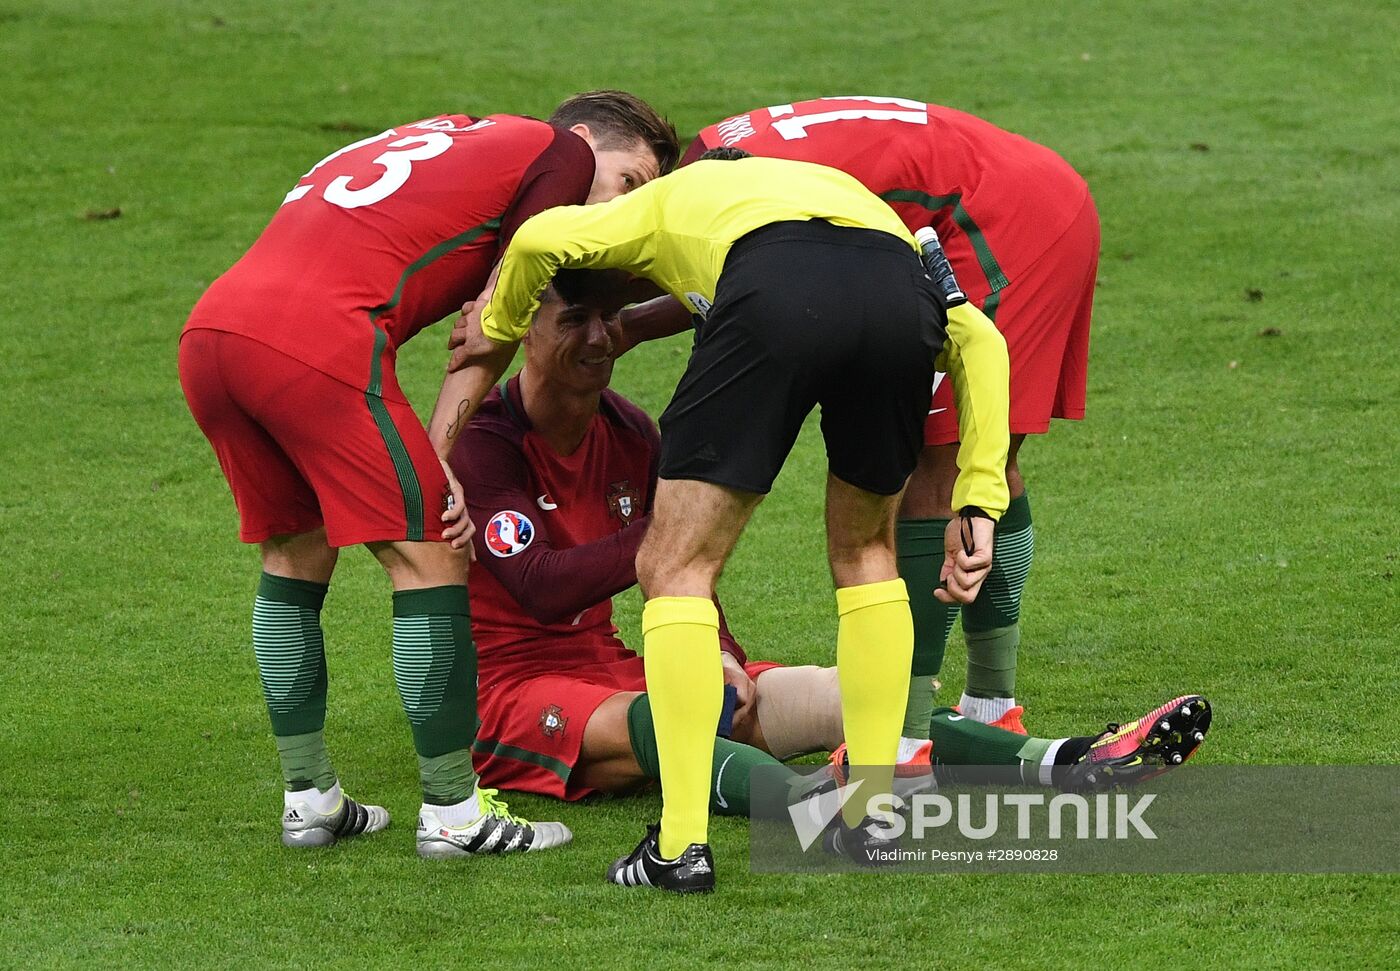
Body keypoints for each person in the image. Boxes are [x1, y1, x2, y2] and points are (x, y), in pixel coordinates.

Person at [447, 150, 1014, 893]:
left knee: (675, 566)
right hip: (894, 295)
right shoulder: (856, 200)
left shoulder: (673, 200)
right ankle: (874, 814)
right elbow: (984, 343)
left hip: (773, 284)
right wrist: (978, 497)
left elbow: (535, 243)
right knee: (868, 551)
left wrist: (498, 320)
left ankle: (679, 847)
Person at [452, 281, 1212, 828]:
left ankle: (1069, 759)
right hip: (511, 692)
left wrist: (717, 650)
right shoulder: (487, 442)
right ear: (523, 327)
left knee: (860, 696)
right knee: (670, 712)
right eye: (571, 320)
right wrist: (668, 541)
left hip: (622, 657)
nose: (596, 338)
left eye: (608, 319)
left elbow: (682, 576)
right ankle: (814, 805)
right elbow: (541, 587)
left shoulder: (629, 429)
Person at [177, 91, 679, 857]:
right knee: (435, 549)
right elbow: (495, 321)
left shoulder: (447, 138)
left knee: (296, 552)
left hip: (215, 330)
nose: (628, 208)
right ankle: (454, 813)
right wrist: (441, 458)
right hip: (314, 339)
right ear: (584, 142)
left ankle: (309, 797)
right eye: (631, 183)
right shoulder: (560, 156)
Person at [622, 95, 1101, 758]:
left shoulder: (716, 188)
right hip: (1022, 193)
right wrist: (627, 326)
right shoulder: (719, 161)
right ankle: (991, 706)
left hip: (995, 222)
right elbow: (730, 265)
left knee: (937, 469)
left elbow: (759, 270)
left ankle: (903, 742)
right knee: (979, 460)